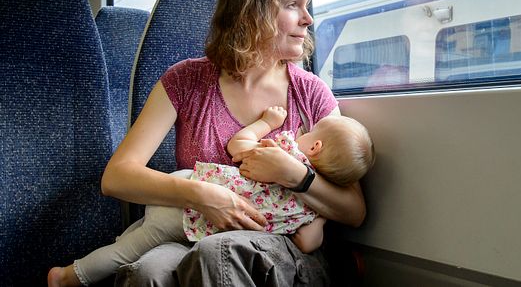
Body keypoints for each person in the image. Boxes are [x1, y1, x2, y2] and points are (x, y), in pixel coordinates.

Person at [48, 0, 369, 287]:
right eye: (293, 5)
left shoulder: (311, 93)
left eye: (307, 6)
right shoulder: (186, 80)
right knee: (148, 272)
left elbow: (354, 210)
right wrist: (203, 196)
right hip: (192, 226)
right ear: (251, 11)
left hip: (281, 242)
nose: (308, 19)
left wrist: (296, 176)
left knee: (219, 253)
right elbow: (116, 178)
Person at [48, 106, 374, 286]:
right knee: (131, 251)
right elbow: (307, 242)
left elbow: (238, 147)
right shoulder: (313, 211)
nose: (307, 18)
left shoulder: (284, 151)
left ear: (314, 146)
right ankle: (66, 278)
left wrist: (266, 123)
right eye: (293, 5)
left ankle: (76, 272)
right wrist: (319, 214)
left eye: (310, 132)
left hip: (187, 188)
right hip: (190, 204)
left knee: (134, 245)